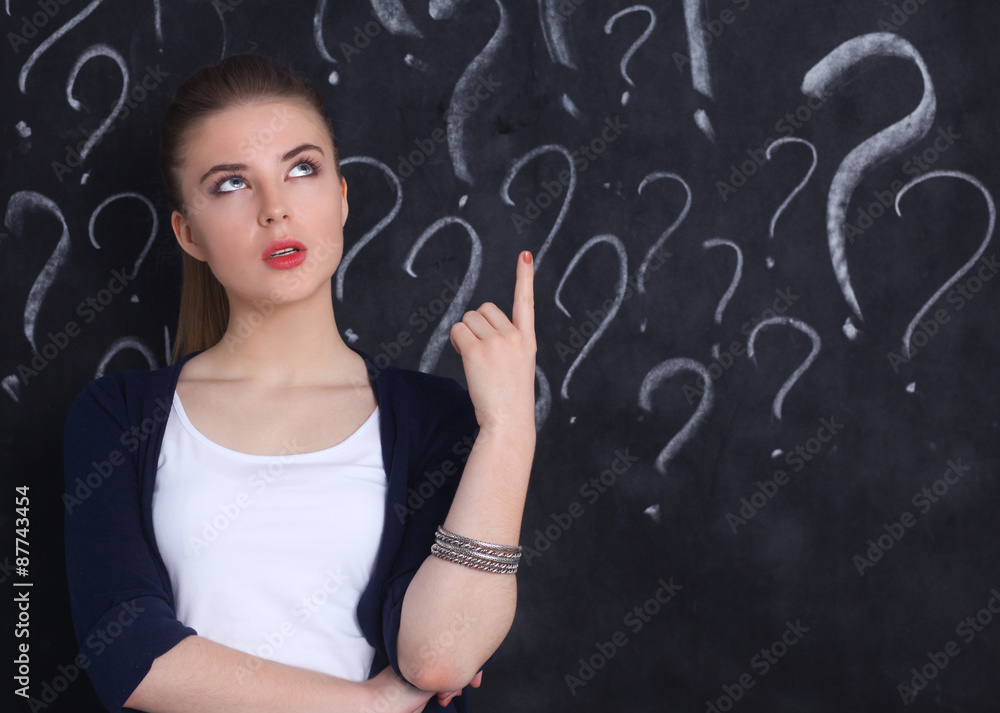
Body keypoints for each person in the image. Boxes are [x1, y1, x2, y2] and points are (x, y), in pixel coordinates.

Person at [62, 53, 537, 713]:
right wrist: (371, 704)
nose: (275, 209)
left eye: (302, 168)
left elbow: (440, 656)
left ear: (341, 197)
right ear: (188, 232)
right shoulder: (117, 415)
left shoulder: (433, 418)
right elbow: (128, 654)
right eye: (232, 184)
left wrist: (510, 430)